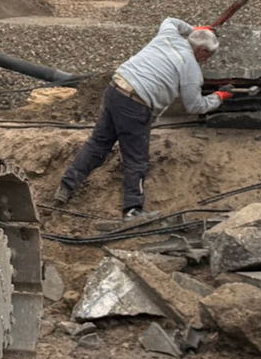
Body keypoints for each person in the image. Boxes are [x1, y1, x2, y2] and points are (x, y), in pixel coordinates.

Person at [55, 19, 231, 218]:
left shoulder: (168, 35)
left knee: (98, 144)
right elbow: (194, 105)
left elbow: (170, 20)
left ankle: (66, 186)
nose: (206, 60)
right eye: (208, 56)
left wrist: (195, 29)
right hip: (137, 105)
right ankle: (132, 210)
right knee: (136, 160)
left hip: (116, 89)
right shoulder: (191, 69)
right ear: (202, 52)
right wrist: (218, 97)